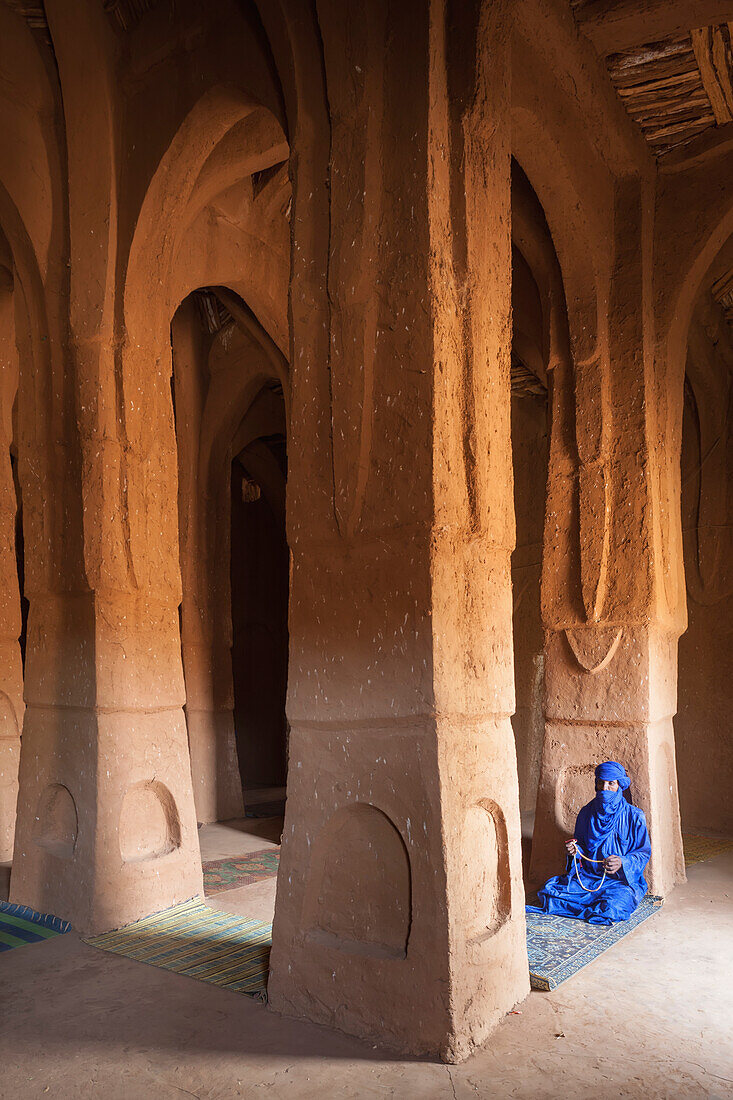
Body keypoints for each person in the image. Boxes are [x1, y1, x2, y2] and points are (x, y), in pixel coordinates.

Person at [526, 760, 651, 925]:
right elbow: (582, 848)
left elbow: (643, 853)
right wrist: (574, 850)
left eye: (611, 783)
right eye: (601, 783)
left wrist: (622, 862)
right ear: (596, 785)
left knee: (614, 906)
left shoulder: (635, 816)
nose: (605, 788)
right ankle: (591, 906)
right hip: (588, 879)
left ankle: (596, 906)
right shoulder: (586, 813)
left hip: (619, 882)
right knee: (549, 893)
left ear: (620, 785)